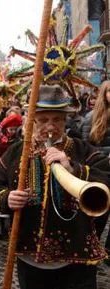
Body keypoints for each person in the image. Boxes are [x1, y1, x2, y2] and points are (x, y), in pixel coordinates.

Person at [0, 85, 110, 289]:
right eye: (43, 120)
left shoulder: (81, 149)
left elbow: (106, 177)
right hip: (30, 257)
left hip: (76, 258)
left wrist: (73, 168)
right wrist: (6, 198)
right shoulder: (16, 151)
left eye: (57, 120)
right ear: (31, 120)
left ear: (65, 120)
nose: (51, 127)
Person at [81, 80, 110, 265]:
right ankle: (90, 248)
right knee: (97, 214)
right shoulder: (91, 117)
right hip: (100, 174)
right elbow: (85, 148)